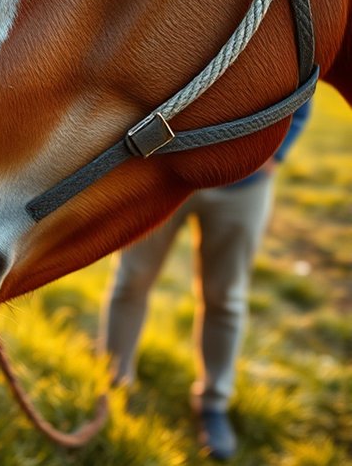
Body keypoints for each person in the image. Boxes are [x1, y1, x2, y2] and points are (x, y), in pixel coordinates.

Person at [100, 100, 312, 461]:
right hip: (163, 174)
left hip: (244, 185)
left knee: (225, 297)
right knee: (130, 280)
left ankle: (214, 403)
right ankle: (113, 385)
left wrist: (275, 154)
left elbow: (303, 87)